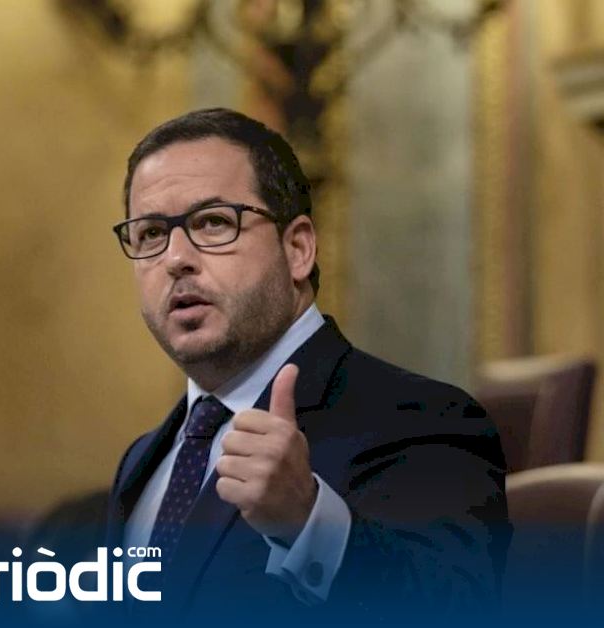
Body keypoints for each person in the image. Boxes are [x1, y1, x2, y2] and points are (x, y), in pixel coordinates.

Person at [104, 108, 511, 624]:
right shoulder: (142, 460)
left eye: (213, 222)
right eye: (150, 234)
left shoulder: (425, 419)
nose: (174, 258)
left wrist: (309, 522)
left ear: (297, 249)